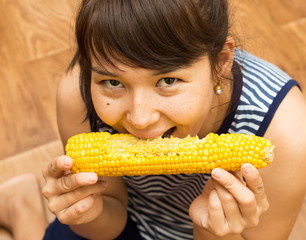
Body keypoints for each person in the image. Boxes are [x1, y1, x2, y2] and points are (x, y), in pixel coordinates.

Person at [1, 0, 305, 239]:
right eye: (114, 82)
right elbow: (113, 217)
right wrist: (87, 212)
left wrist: (213, 228)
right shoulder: (78, 94)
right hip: (133, 216)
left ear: (222, 61)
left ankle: (20, 207)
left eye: (168, 80)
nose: (140, 118)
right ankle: (23, 205)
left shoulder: (285, 133)